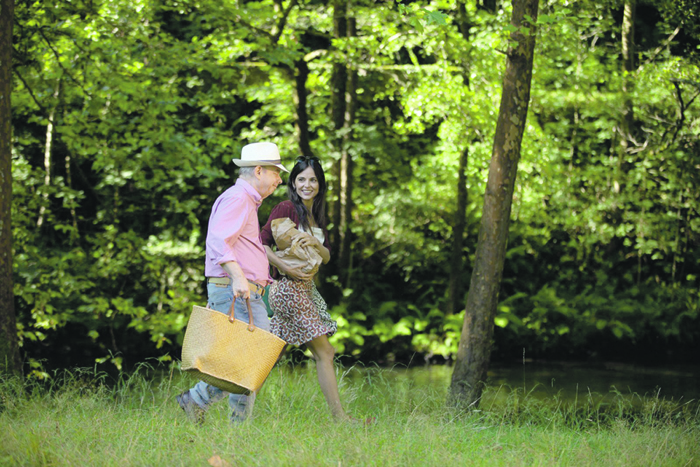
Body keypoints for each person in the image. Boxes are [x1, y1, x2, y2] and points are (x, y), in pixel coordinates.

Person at [177, 141, 289, 424]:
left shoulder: (244, 200)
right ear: (259, 170)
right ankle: (202, 403)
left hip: (241, 291)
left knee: (247, 362)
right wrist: (239, 276)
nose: (279, 179)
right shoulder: (238, 198)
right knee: (251, 361)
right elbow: (218, 240)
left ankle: (225, 419)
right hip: (235, 290)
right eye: (276, 172)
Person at [261, 156, 362, 422]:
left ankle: (205, 399)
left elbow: (327, 256)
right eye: (302, 179)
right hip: (288, 288)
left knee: (268, 357)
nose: (307, 184)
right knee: (325, 352)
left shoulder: (315, 215)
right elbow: (261, 244)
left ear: (320, 184)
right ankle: (341, 418)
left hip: (304, 289)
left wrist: (315, 244)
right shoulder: (286, 208)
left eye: (313, 179)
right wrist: (286, 266)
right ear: (293, 182)